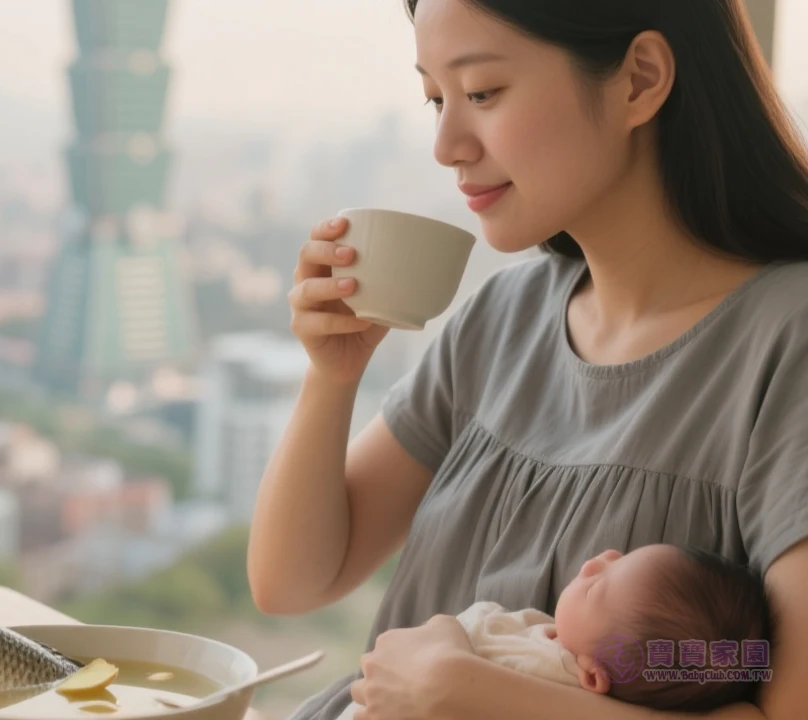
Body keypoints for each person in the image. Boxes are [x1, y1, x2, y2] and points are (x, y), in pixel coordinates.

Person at [246, 1, 808, 719]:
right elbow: (293, 582)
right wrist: (333, 375)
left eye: (481, 92)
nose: (447, 143)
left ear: (639, 79)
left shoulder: (788, 344)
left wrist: (470, 693)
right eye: (434, 99)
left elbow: (770, 690)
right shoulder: (502, 317)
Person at [454, 544, 773, 712]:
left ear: (593, 676)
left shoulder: (538, 670)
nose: (597, 560)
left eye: (594, 590)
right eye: (621, 558)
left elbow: (464, 642)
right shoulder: (568, 651)